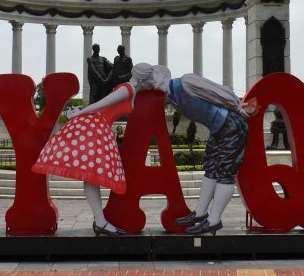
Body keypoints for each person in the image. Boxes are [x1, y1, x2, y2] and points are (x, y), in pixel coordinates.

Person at [129, 63, 253, 235]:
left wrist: (237, 105)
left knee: (225, 172)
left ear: (164, 75)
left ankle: (214, 220)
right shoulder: (171, 97)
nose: (150, 82)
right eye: (148, 80)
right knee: (210, 168)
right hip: (217, 129)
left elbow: (217, 91)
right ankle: (201, 214)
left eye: (153, 77)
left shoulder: (185, 82)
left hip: (231, 124)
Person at [32, 77, 136, 235]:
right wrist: (80, 113)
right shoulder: (128, 88)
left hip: (98, 126)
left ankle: (100, 221)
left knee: (91, 176)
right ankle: (100, 222)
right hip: (95, 126)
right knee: (90, 175)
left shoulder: (133, 89)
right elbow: (99, 105)